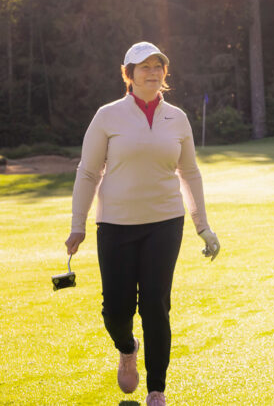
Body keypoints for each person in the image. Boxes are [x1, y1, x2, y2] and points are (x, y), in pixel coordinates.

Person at [65, 42, 220, 406]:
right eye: (143, 67)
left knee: (155, 304)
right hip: (116, 224)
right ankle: (127, 346)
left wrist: (203, 225)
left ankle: (157, 389)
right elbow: (88, 172)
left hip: (166, 223)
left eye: (158, 66)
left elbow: (190, 173)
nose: (152, 72)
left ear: (165, 73)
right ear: (129, 74)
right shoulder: (107, 116)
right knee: (116, 310)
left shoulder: (177, 118)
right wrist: (78, 224)